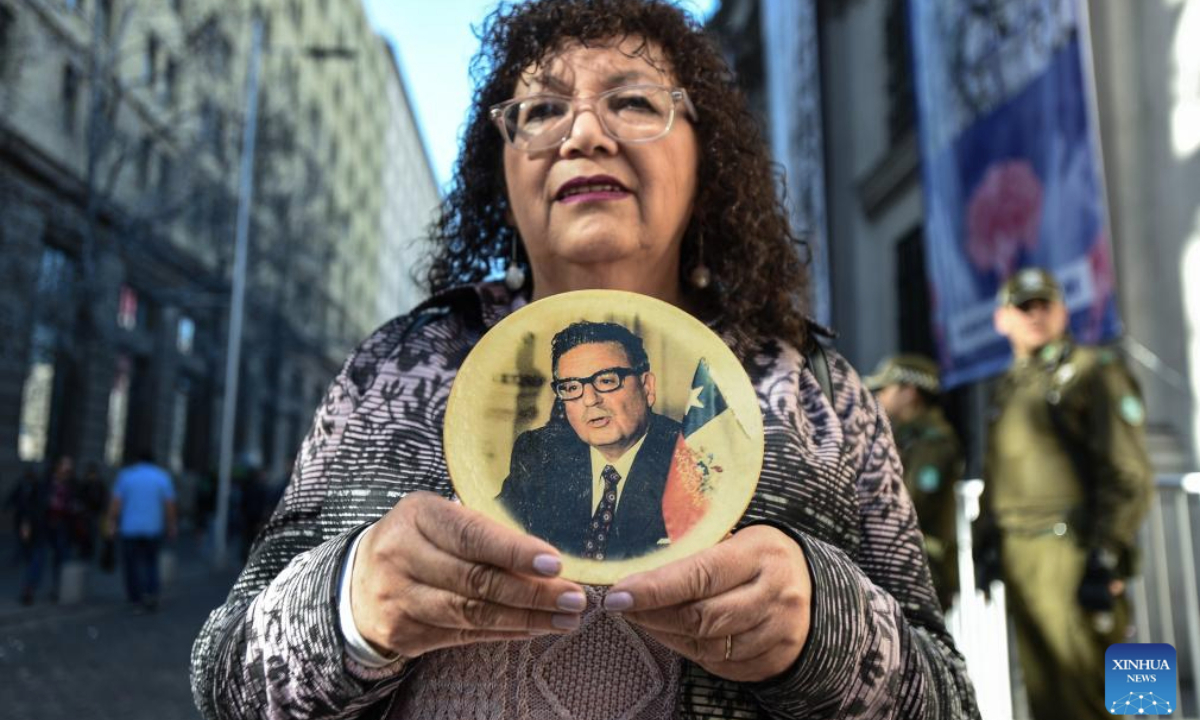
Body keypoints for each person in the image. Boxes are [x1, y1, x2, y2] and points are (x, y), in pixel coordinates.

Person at [191, 2, 980, 718]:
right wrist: (347, 607)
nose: (582, 134)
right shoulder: (398, 367)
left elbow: (947, 702)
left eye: (632, 101)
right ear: (501, 168)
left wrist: (828, 635)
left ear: (707, 155)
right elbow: (227, 682)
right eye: (539, 111)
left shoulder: (817, 388)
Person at [978, 266, 1154, 720]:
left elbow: (1130, 473)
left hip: (1073, 552)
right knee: (1048, 699)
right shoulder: (1007, 385)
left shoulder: (1093, 370)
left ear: (1062, 311)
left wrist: (1109, 552)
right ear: (1003, 319)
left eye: (1045, 305)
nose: (1035, 315)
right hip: (1023, 558)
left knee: (1115, 697)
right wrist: (987, 543)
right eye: (1024, 307)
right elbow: (996, 473)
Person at [498, 321, 681, 559]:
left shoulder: (691, 457)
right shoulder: (539, 451)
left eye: (606, 381)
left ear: (647, 387)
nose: (590, 400)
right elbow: (491, 526)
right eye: (572, 387)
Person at [865, 354, 964, 611]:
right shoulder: (905, 438)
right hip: (905, 566)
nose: (879, 398)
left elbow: (911, 502)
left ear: (909, 392)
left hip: (922, 570)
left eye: (885, 389)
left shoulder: (934, 442)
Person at [106, 450, 178, 612]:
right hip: (153, 528)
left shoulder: (126, 476)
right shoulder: (162, 477)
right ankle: (151, 593)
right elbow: (169, 504)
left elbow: (116, 503)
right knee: (151, 563)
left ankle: (135, 598)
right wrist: (171, 525)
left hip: (129, 528)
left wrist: (111, 522)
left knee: (131, 565)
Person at [8, 468, 48, 605]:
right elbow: (11, 500)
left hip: (35, 529)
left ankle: (28, 589)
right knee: (31, 558)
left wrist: (27, 524)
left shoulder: (38, 490)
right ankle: (28, 587)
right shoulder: (22, 487)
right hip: (27, 528)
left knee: (35, 560)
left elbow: (37, 510)